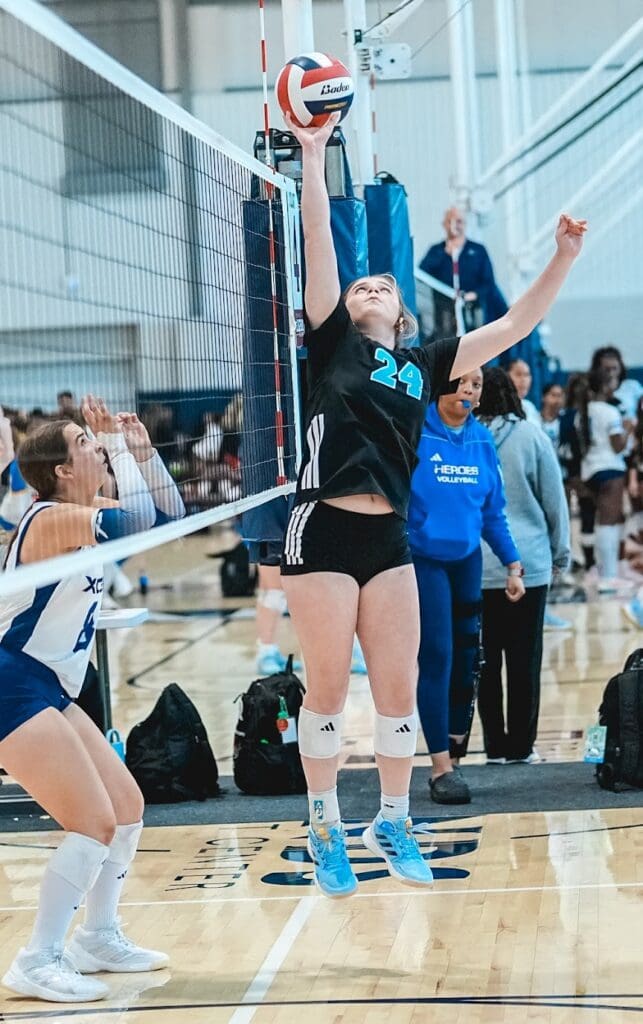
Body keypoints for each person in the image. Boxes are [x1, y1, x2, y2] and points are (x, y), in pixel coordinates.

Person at [280, 110, 586, 897]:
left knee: (398, 693)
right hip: (321, 529)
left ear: (403, 313)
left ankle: (392, 820)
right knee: (326, 691)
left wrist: (562, 257)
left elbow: (515, 323)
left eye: (382, 285)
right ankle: (323, 825)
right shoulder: (333, 344)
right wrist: (310, 155)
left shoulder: (424, 365)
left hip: (390, 541)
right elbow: (318, 241)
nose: (370, 285)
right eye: (361, 284)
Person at [0, 396, 184, 1003]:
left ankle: (97, 937)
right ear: (61, 470)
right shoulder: (49, 518)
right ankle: (37, 959)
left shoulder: (85, 511)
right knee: (92, 821)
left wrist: (144, 455)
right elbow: (134, 522)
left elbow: (167, 517)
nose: (96, 445)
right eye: (85, 443)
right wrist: (124, 455)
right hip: (11, 681)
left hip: (46, 684)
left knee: (127, 807)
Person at [408, 368, 523, 805]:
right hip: (425, 560)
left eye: (476, 385)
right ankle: (440, 767)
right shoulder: (416, 431)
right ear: (442, 385)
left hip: (467, 560)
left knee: (467, 658)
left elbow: (493, 512)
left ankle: (454, 746)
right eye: (462, 383)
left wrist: (513, 563)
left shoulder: (482, 441)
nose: (469, 391)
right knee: (437, 654)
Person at [476, 368, 570, 764]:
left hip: (476, 565)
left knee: (484, 662)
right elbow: (555, 501)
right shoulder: (533, 436)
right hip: (528, 563)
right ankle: (521, 746)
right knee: (524, 659)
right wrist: (560, 554)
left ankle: (494, 746)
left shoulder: (464, 438)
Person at [577, 350, 633, 592]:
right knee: (608, 522)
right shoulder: (610, 412)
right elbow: (617, 445)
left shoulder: (585, 411)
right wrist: (628, 429)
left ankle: (605, 571)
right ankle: (608, 575)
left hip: (590, 468)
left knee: (604, 521)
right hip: (610, 468)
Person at [419, 206, 507, 339]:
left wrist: (473, 295)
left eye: (459, 221)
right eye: (450, 221)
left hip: (474, 312)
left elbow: (489, 282)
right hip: (445, 314)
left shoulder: (478, 250)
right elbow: (422, 276)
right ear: (444, 225)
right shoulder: (436, 251)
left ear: (465, 224)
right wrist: (445, 254)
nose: (455, 226)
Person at [507, 358, 541, 425]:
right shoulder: (502, 407)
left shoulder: (530, 407)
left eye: (526, 375)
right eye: (518, 374)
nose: (523, 380)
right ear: (506, 376)